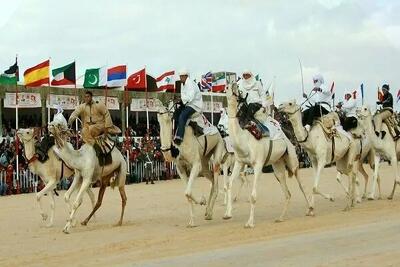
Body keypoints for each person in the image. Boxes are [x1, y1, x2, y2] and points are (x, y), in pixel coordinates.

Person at [174, 70, 203, 145]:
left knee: (182, 116)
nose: (180, 78)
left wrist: (181, 100)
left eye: (182, 76)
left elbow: (191, 97)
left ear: (186, 76)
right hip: (188, 104)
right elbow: (184, 96)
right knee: (175, 114)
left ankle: (179, 137)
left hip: (195, 105)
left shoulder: (190, 83)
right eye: (180, 76)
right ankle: (191, 124)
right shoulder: (183, 84)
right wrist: (179, 100)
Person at [237, 70, 269, 136]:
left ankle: (263, 130)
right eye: (244, 75)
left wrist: (264, 106)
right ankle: (241, 129)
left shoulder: (257, 83)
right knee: (240, 114)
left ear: (251, 75)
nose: (246, 76)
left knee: (250, 110)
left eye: (247, 75)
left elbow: (263, 94)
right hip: (247, 104)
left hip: (256, 104)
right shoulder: (241, 85)